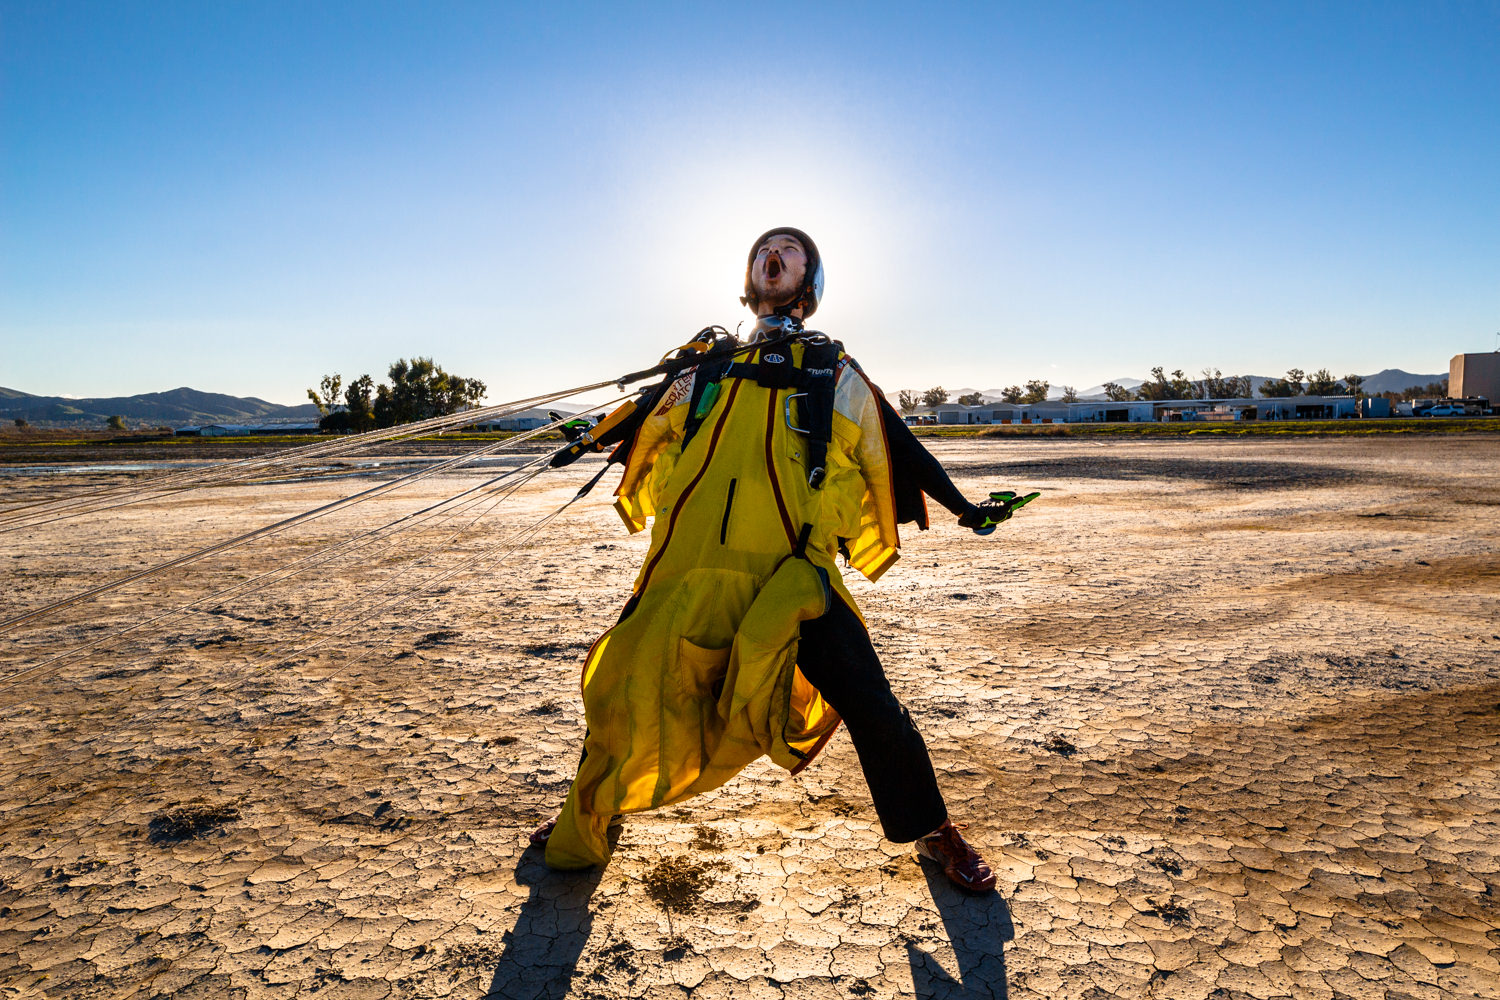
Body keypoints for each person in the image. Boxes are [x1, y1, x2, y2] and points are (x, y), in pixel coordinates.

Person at [531, 228, 1030, 893]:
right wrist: (587, 437)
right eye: (766, 248)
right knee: (620, 683)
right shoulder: (705, 365)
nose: (775, 255)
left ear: (808, 282)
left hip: (791, 576)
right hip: (690, 568)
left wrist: (966, 509)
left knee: (873, 704)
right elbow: (644, 419)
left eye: (790, 251)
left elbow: (900, 446)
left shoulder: (833, 373)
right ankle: (591, 809)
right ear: (752, 274)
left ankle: (935, 831)